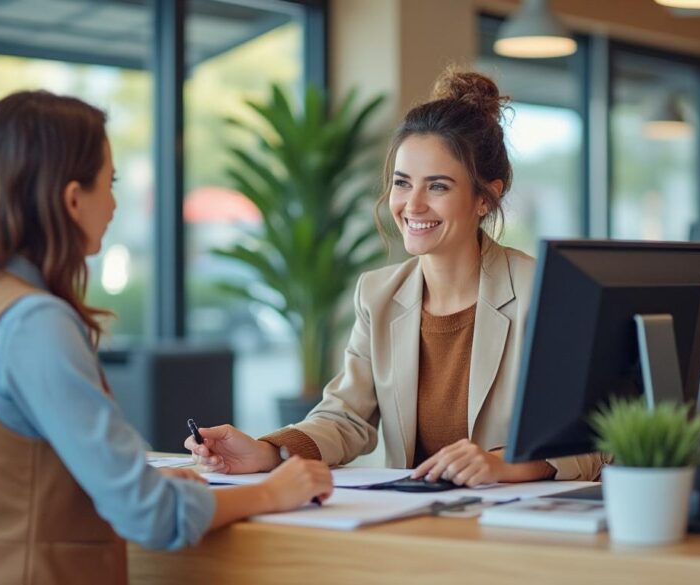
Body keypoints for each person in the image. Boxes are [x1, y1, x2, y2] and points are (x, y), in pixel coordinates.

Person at [0, 90, 333, 585]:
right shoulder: (34, 323)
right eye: (110, 182)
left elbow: (15, 475)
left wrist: (143, 481)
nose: (115, 203)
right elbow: (151, 515)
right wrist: (273, 492)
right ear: (73, 199)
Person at [186, 69, 608, 487]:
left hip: (510, 519)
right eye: (403, 183)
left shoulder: (544, 291)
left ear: (485, 197)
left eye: (438, 187)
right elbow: (345, 417)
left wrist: (505, 464)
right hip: (413, 513)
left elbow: (593, 441)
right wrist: (267, 451)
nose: (413, 205)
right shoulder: (378, 294)